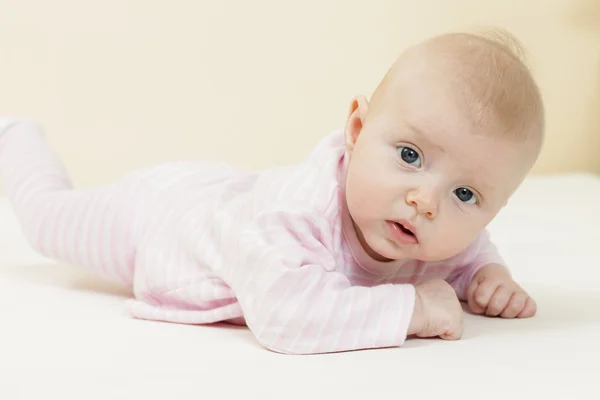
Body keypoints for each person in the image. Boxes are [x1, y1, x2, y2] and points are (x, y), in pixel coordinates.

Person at [0, 29, 543, 355]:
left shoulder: (434, 226)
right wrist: (414, 311)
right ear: (357, 131)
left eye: (466, 195)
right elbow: (285, 316)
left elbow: (471, 250)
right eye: (409, 156)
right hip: (161, 218)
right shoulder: (299, 211)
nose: (427, 200)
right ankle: (14, 134)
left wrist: (489, 278)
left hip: (234, 195)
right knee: (46, 219)